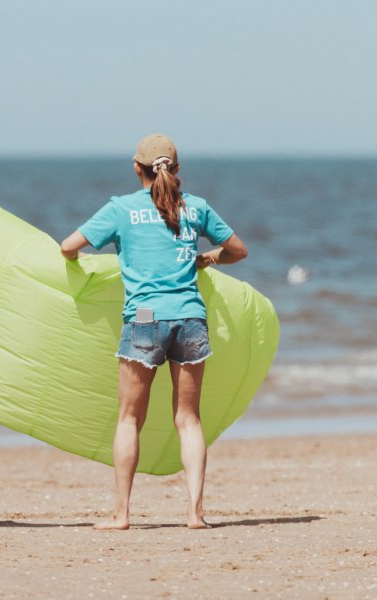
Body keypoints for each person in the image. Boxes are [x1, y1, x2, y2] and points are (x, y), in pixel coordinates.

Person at [60, 134, 247, 529]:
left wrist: (84, 263)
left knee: (129, 419)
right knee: (189, 420)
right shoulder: (196, 208)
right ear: (176, 169)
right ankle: (195, 514)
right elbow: (238, 250)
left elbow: (67, 246)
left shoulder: (121, 210)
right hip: (190, 318)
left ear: (136, 168)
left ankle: (121, 514)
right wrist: (208, 258)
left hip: (144, 318)